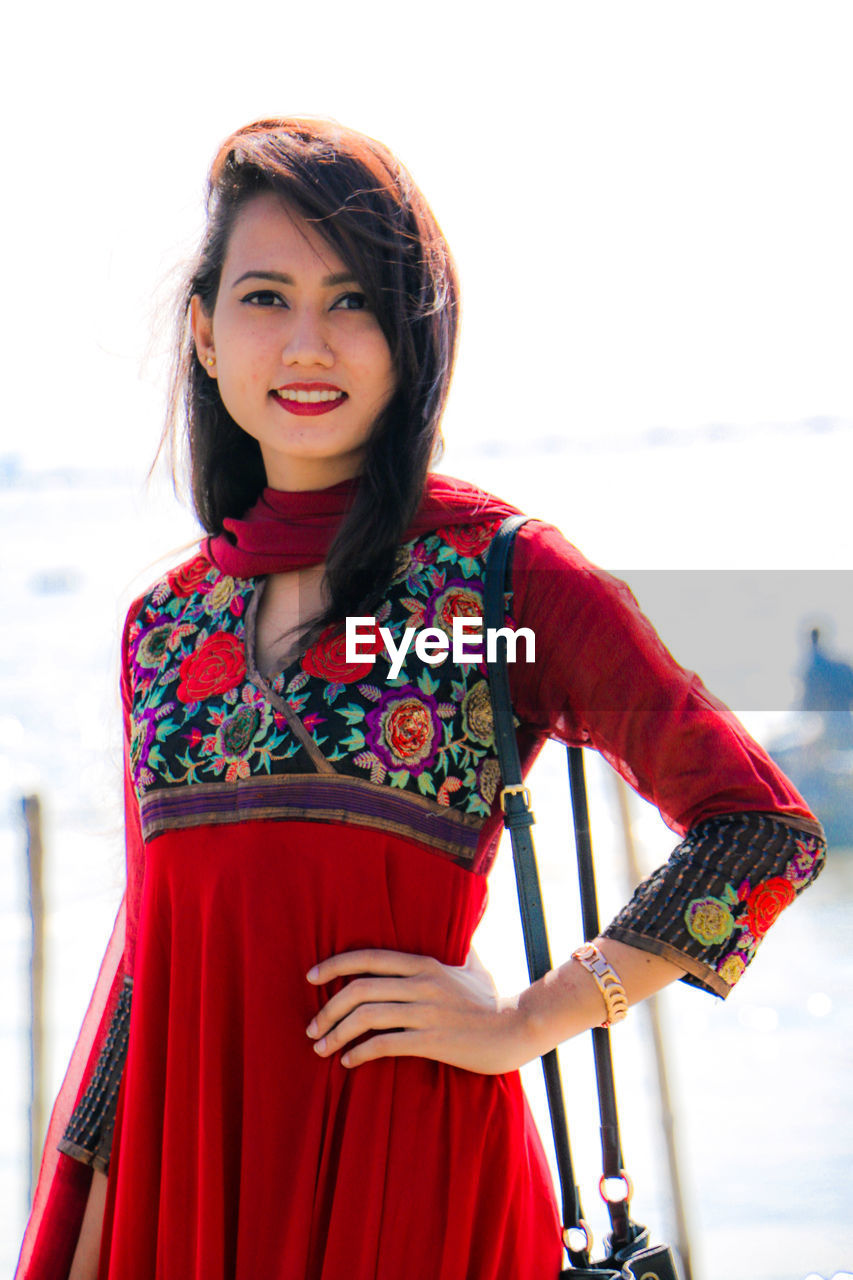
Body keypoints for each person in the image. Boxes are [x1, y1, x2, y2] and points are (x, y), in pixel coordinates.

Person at [17, 117, 826, 1280]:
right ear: (202, 333)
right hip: (185, 1196)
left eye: (352, 300)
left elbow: (759, 831)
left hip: (415, 1185)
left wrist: (531, 1018)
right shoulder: (164, 624)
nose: (308, 344)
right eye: (264, 297)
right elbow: (152, 959)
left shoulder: (500, 580)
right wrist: (89, 1235)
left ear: (412, 336)